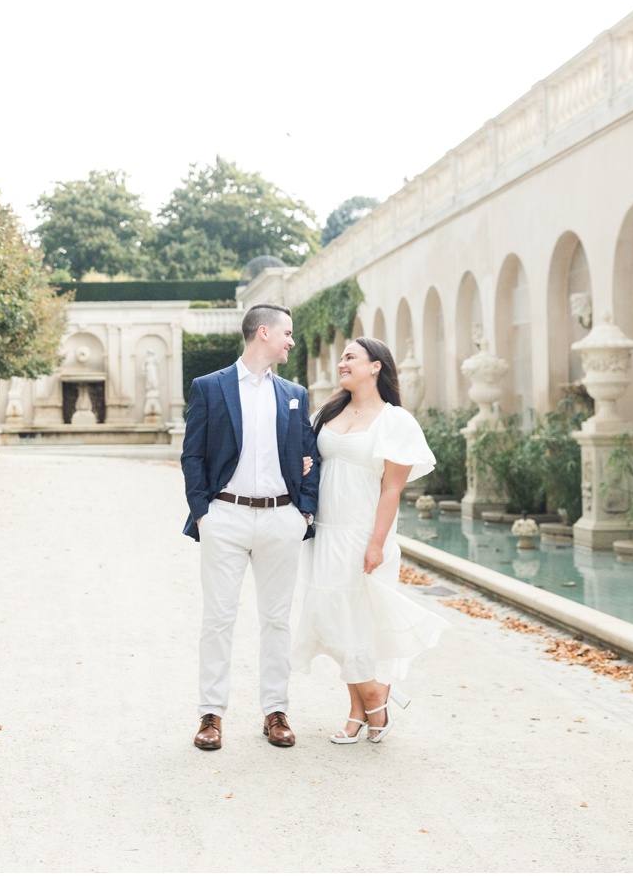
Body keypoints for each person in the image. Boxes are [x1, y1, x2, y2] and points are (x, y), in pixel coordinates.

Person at [291, 336, 448, 744]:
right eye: (342, 357)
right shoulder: (327, 412)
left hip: (363, 533)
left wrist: (376, 544)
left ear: (375, 366)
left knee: (360, 621)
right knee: (334, 619)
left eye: (350, 357)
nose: (342, 363)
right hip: (325, 532)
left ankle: (372, 702)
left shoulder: (395, 421)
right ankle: (365, 704)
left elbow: (392, 489)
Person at [180, 304, 320, 751]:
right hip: (226, 516)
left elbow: (310, 455)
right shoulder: (209, 387)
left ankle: (275, 711)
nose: (291, 341)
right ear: (264, 333)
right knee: (218, 618)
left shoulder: (294, 392)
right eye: (287, 333)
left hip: (282, 518)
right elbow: (193, 454)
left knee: (277, 620)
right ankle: (211, 715)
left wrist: (304, 514)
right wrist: (204, 512)